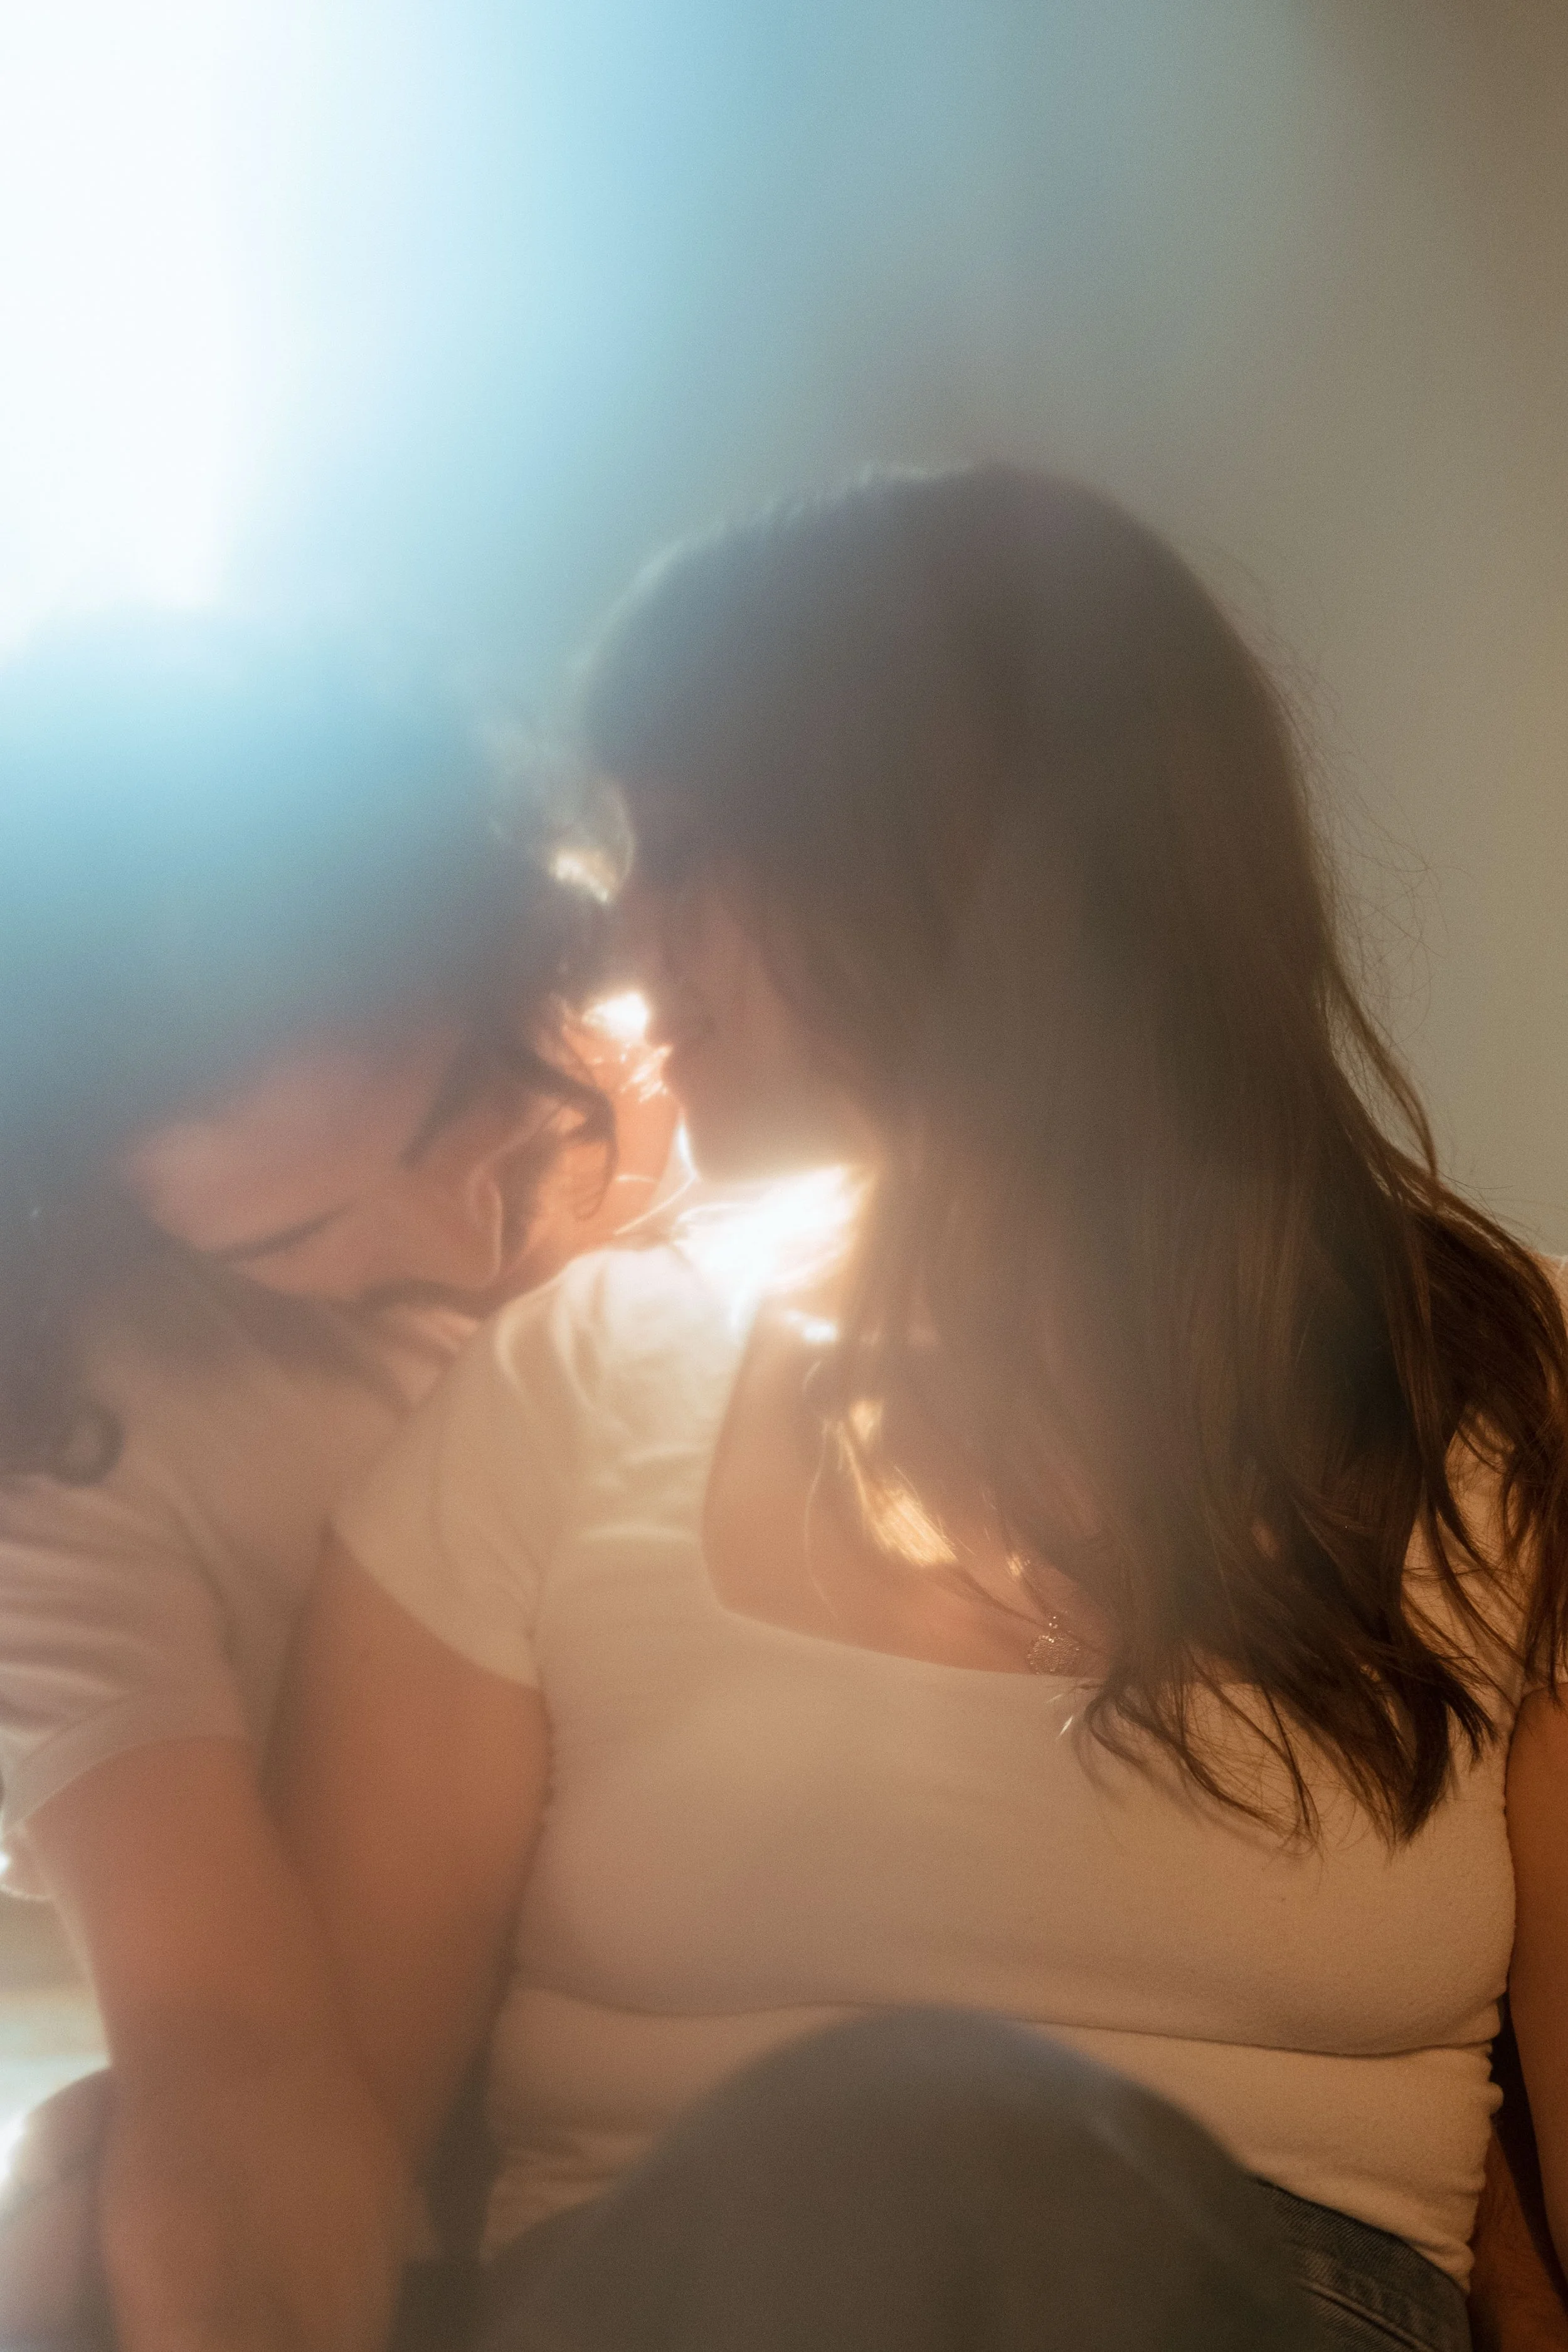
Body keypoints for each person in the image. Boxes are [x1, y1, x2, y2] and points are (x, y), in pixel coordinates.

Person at [273, 464, 1568, 2352]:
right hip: (677, 2298)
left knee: (990, 2162)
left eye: (692, 852)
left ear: (957, 874)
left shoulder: (1496, 1411)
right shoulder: (579, 1387)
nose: (629, 948)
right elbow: (309, 2150)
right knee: (902, 2141)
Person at [0, 614, 672, 2351]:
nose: (463, 1239)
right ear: (114, 1215)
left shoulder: (755, 1099)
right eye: (296, 1235)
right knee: (86, 2217)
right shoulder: (78, 1459)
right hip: (455, 2148)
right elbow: (229, 2044)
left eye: (478, 1104)